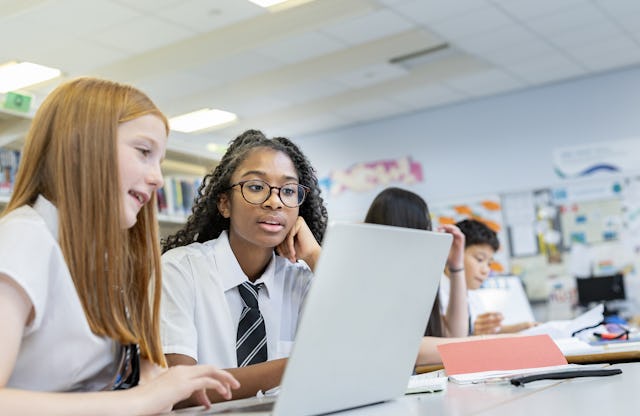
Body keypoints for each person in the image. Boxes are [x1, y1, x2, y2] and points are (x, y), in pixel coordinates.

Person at [0, 77, 239, 415]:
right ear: (83, 147)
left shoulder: (100, 257)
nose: (157, 177)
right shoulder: (24, 239)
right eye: (144, 152)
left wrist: (151, 379)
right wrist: (140, 399)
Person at [160, 129, 328, 406]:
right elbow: (182, 391)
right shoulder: (180, 270)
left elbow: (369, 342)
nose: (274, 201)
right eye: (256, 187)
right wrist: (297, 366)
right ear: (224, 204)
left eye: (288, 191)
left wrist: (314, 254)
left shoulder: (302, 278)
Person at [363, 187, 468, 338]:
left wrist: (456, 266)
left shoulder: (418, 278)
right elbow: (406, 347)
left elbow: (455, 334)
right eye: (425, 227)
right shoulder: (371, 282)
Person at [441, 219, 537, 335]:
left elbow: (484, 332)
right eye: (479, 259)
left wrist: (525, 327)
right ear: (453, 251)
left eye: (489, 263)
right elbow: (451, 337)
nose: (486, 270)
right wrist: (472, 333)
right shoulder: (436, 293)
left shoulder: (472, 293)